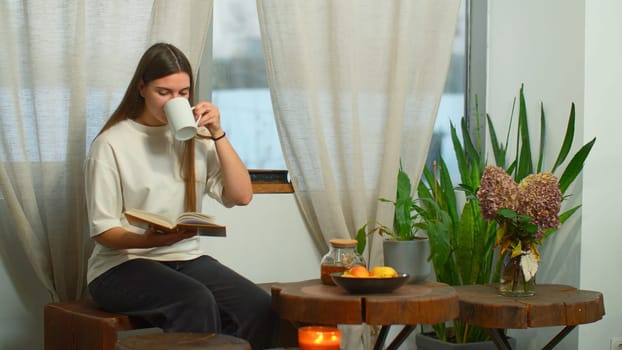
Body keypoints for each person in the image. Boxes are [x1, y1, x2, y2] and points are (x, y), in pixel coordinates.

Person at [84, 42, 278, 349]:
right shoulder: (110, 144)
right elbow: (104, 231)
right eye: (164, 92)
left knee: (257, 306)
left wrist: (217, 133)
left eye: (183, 93)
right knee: (194, 301)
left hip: (185, 258)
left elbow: (241, 195)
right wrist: (149, 241)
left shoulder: (197, 139)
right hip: (119, 266)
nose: (174, 101)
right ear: (142, 88)